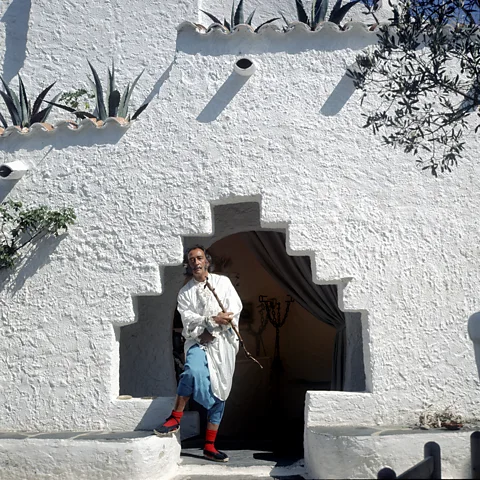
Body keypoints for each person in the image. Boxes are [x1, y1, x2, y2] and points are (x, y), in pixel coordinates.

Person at [154, 245, 242, 463]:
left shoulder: (223, 283)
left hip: (223, 345)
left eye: (199, 258)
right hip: (196, 341)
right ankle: (175, 417)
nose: (195, 262)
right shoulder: (185, 293)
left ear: (207, 261)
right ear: (188, 264)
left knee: (220, 393)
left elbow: (233, 311)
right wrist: (210, 322)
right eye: (191, 259)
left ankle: (210, 446)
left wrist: (213, 329)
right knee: (191, 370)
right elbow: (188, 321)